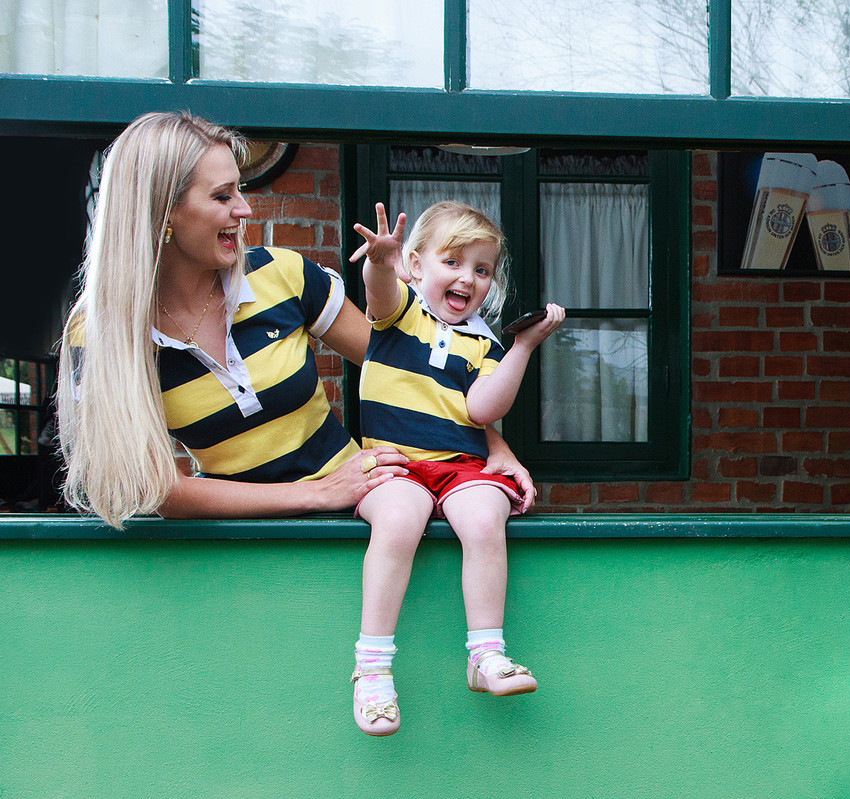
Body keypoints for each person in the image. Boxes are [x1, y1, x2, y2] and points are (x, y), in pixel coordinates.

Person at [56, 111, 534, 530]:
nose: (244, 209)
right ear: (164, 212)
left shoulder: (280, 274)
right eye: (223, 196)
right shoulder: (96, 332)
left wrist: (492, 447)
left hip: (364, 516)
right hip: (238, 546)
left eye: (239, 190)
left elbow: (411, 369)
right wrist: (317, 493)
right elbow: (155, 490)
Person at [348, 200, 564, 736]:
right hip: (395, 464)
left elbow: (482, 409)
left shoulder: (484, 339)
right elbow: (378, 294)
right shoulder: (401, 311)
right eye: (453, 262)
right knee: (399, 520)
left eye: (482, 269)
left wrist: (522, 345)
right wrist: (380, 259)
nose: (467, 278)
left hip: (460, 464)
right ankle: (372, 668)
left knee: (487, 516)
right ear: (416, 266)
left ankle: (485, 653)